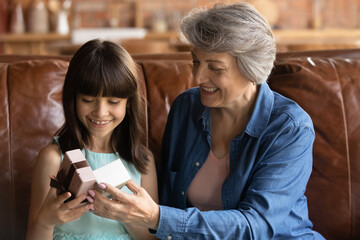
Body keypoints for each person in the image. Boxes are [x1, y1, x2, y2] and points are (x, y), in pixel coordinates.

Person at [87, 2, 325, 239]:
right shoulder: (185, 108)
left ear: (251, 69)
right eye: (196, 61)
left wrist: (158, 218)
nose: (199, 76)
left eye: (215, 68)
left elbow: (256, 226)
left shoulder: (290, 128)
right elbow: (169, 196)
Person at [26, 39, 158, 240]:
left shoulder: (142, 161)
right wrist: (46, 221)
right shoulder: (53, 158)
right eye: (88, 100)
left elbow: (149, 237)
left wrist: (124, 213)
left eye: (113, 101)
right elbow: (34, 234)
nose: (100, 112)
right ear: (73, 98)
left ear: (129, 102)